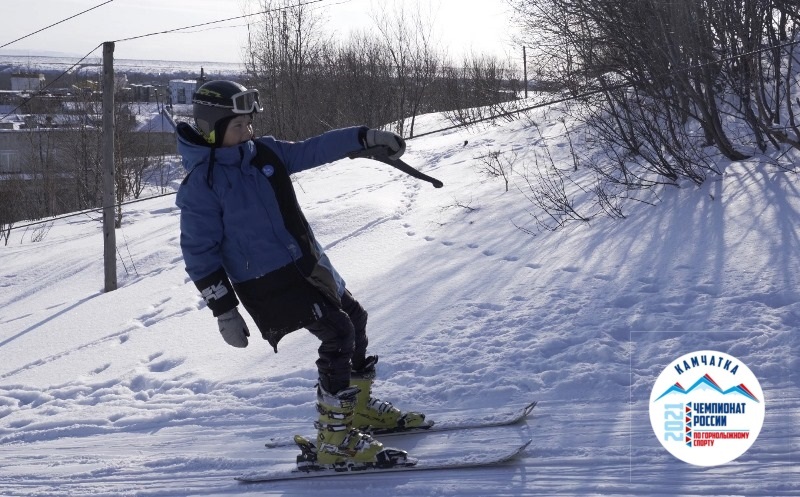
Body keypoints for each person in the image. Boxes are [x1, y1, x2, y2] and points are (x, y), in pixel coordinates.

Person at [175, 80, 428, 468]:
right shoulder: (202, 185)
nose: (248, 133)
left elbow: (314, 148)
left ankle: (355, 412)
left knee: (354, 319)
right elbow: (199, 253)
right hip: (268, 282)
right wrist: (224, 310)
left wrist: (363, 137)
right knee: (338, 333)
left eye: (249, 124)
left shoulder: (264, 154)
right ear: (211, 129)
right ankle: (335, 439)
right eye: (238, 127)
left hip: (308, 264)